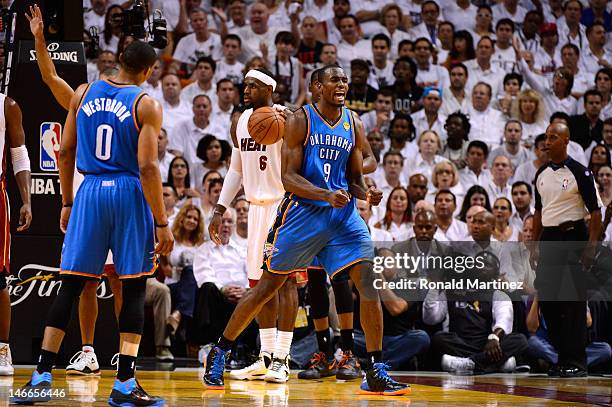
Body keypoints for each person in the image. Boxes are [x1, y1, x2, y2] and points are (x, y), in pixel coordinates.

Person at [203, 65, 410, 396]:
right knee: (265, 288)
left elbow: (355, 177)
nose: (342, 84)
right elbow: (289, 178)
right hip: (302, 214)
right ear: (317, 87)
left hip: (342, 219)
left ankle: (374, 369)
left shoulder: (353, 123)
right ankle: (221, 350)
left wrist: (366, 193)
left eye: (344, 80)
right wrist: (325, 194)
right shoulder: (299, 120)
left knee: (367, 285)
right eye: (335, 80)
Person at [12, 41, 173, 406]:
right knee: (132, 287)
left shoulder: (83, 93)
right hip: (129, 191)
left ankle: (40, 375)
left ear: (117, 63)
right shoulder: (146, 103)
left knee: (70, 285)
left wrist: (68, 200)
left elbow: (65, 150)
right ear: (147, 71)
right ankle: (125, 383)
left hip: (90, 190)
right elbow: (148, 167)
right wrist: (162, 222)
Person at [26, 5, 122, 377]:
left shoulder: (128, 106)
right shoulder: (82, 101)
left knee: (116, 279)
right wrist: (37, 37)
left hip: (93, 197)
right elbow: (49, 76)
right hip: (92, 194)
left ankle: (123, 355)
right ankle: (89, 351)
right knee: (86, 281)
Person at [207, 68, 298, 383]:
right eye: (244, 84)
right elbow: (235, 169)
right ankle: (266, 356)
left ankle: (283, 359)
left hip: (283, 206)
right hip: (256, 208)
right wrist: (220, 208)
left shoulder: (286, 120)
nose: (245, 89)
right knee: (258, 286)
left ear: (269, 88)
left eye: (253, 85)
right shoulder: (240, 122)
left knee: (284, 283)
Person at [531, 123, 603, 377]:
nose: (547, 142)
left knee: (573, 305)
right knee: (549, 302)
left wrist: (591, 248)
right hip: (550, 238)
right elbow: (539, 212)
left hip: (574, 236)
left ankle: (578, 362)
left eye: (553, 138)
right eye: (546, 137)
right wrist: (534, 244)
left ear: (566, 141)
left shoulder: (580, 172)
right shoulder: (540, 173)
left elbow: (595, 212)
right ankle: (563, 357)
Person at [0, 52, 33, 379]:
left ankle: (2, 350)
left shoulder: (7, 105)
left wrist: (27, 201)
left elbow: (19, 157)